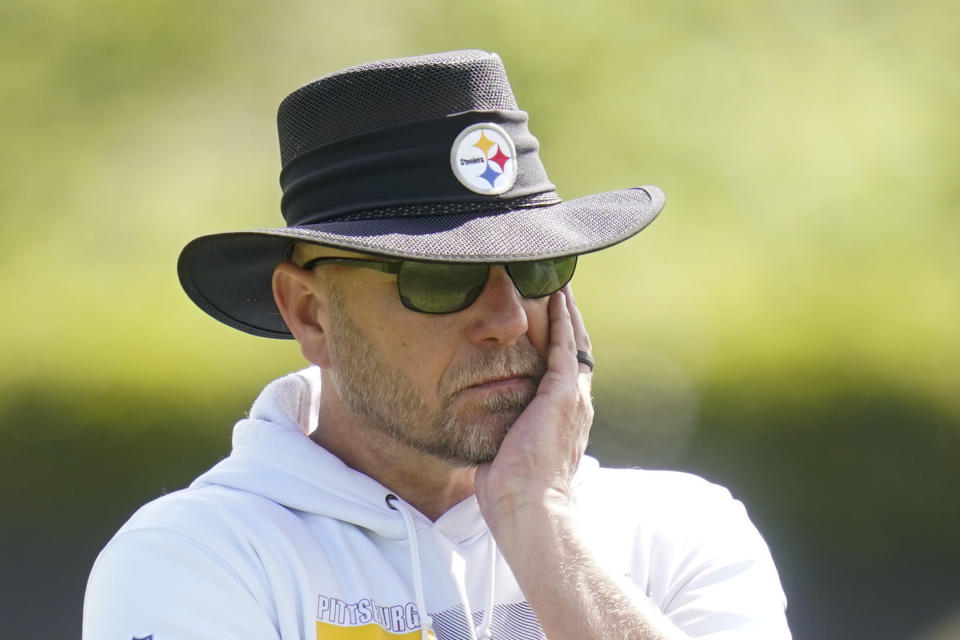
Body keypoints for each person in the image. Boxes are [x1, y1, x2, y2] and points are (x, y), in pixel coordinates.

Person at [82, 50, 791, 640]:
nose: (509, 319)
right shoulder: (195, 557)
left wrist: (538, 517)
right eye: (437, 279)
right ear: (309, 313)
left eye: (536, 267)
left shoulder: (680, 533)